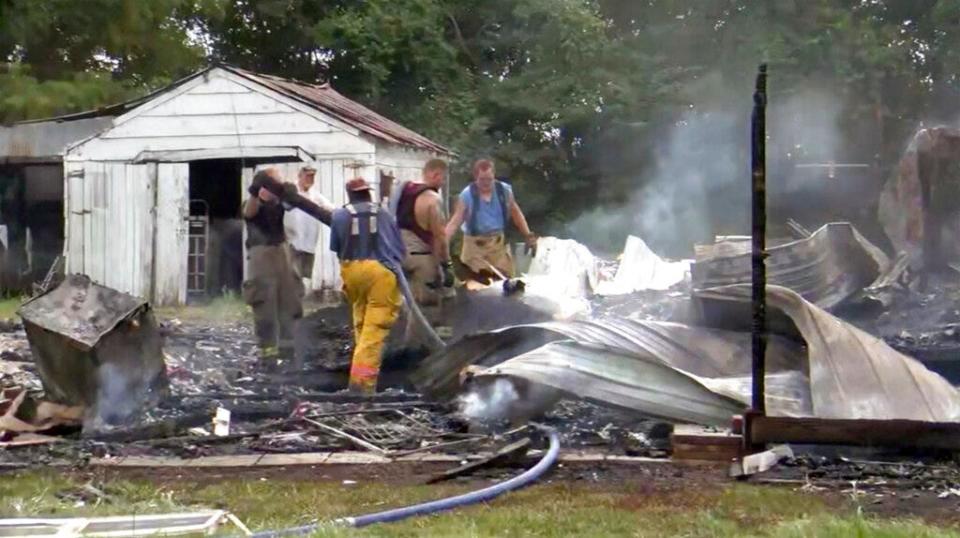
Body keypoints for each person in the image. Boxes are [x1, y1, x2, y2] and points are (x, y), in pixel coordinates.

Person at [330, 178, 406, 394]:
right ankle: (362, 387)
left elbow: (336, 247)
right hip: (380, 272)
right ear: (368, 193)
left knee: (361, 323)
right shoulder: (383, 214)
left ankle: (358, 378)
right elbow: (397, 247)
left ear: (350, 194)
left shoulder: (339, 215)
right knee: (375, 330)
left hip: (351, 271)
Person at [241, 168, 303, 365]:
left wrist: (290, 190)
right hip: (261, 255)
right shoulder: (252, 204)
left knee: (289, 300)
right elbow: (248, 213)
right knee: (264, 304)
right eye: (272, 184)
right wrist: (254, 194)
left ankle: (288, 351)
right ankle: (268, 355)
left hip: (282, 252)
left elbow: (291, 205)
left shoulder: (279, 203)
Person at [445, 159, 536, 281]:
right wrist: (442, 242)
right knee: (476, 284)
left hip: (497, 245)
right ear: (476, 177)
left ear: (494, 175)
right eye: (482, 179)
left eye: (489, 179)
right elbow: (455, 222)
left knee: (505, 282)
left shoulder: (504, 191)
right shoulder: (467, 195)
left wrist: (528, 235)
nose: (486, 183)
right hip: (474, 247)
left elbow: (516, 213)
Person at [395, 159, 455, 304]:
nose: (443, 183)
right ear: (436, 175)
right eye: (443, 178)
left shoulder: (403, 192)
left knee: (408, 307)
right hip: (422, 259)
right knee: (429, 307)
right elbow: (440, 236)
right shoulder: (433, 200)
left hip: (399, 258)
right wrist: (446, 265)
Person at [283, 165, 333, 283]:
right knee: (292, 273)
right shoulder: (291, 192)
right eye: (308, 176)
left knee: (304, 276)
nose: (310, 179)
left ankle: (301, 298)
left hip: (309, 243)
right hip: (292, 241)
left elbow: (330, 207)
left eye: (312, 176)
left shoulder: (314, 195)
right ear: (300, 175)